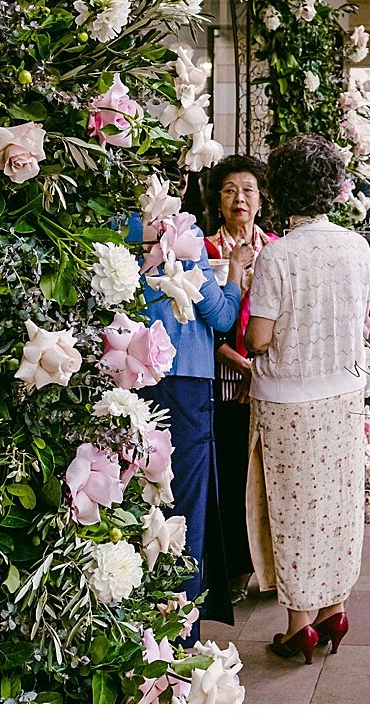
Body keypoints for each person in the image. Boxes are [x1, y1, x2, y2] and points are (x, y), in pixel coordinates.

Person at [245, 136, 370, 663]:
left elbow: (259, 338)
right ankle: (334, 610)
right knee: (337, 505)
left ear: (279, 191)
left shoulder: (277, 255)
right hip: (344, 395)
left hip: (288, 401)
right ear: (333, 188)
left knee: (293, 508)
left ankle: (299, 624)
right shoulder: (356, 247)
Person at [133, 186, 243, 644]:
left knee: (135, 499)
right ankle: (179, 632)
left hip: (130, 377)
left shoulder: (116, 229)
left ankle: (136, 622)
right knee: (184, 505)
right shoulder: (181, 231)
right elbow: (219, 316)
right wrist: (235, 276)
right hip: (187, 381)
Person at [202, 155, 275, 613]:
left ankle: (268, 568)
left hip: (266, 385)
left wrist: (260, 368)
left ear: (261, 200)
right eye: (230, 189)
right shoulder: (204, 250)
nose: (240, 198)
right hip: (224, 384)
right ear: (218, 200)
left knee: (265, 479)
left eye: (248, 189)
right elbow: (201, 328)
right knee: (229, 476)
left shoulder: (276, 251)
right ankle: (232, 571)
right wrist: (237, 363)